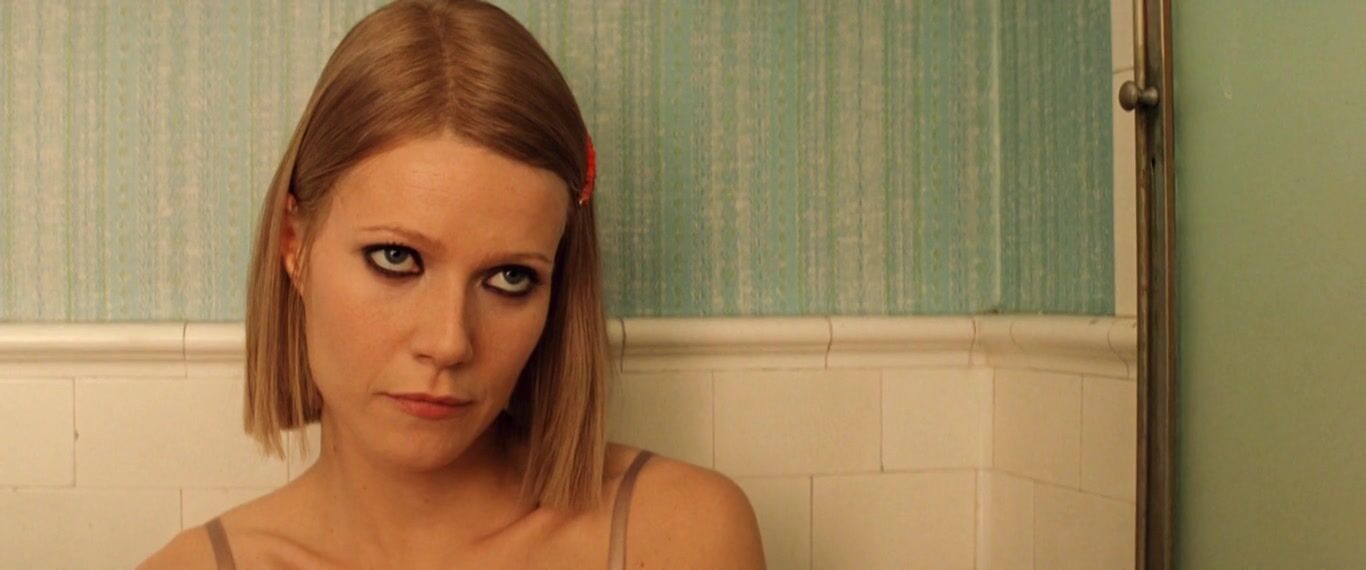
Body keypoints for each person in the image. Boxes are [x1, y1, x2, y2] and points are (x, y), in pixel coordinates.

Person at [140, 1, 764, 567]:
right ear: (293, 245)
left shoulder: (680, 533)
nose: (449, 343)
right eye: (395, 258)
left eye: (510, 278)